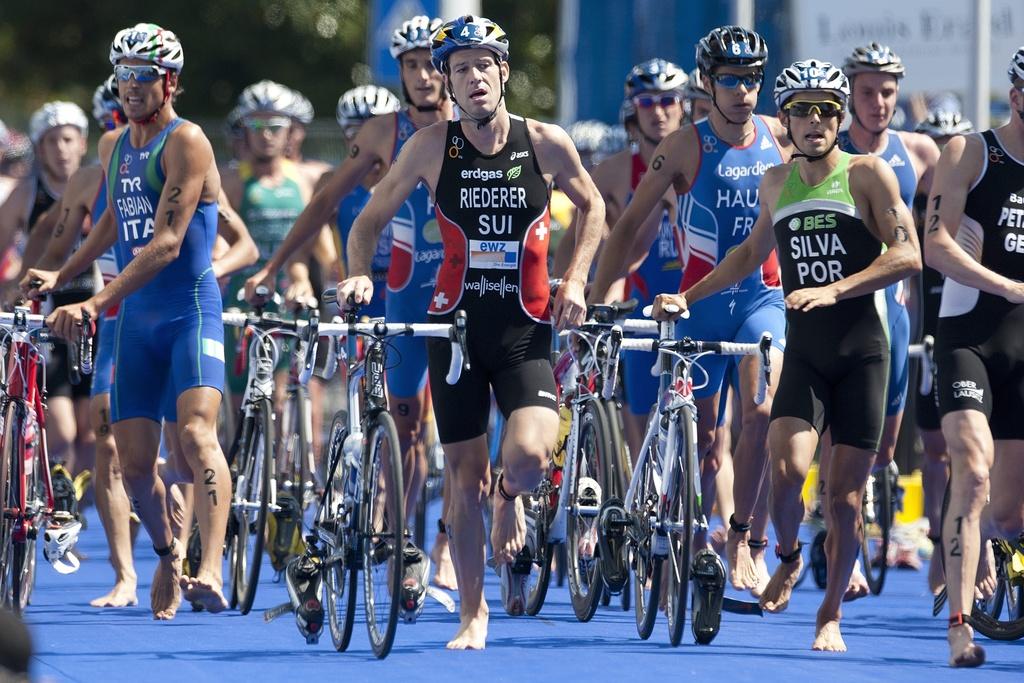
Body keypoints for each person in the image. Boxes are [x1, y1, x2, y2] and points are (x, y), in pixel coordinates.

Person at [336, 14, 603, 648]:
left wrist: (577, 278)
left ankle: (508, 493)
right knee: (460, 476)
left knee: (531, 458)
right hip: (452, 331)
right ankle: (472, 614)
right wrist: (357, 276)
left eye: (484, 65)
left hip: (524, 329)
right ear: (448, 82)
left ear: (503, 73)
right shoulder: (430, 146)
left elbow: (591, 206)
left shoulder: (545, 141)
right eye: (460, 69)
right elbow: (367, 222)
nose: (474, 77)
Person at [655, 58, 920, 651]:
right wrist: (685, 295)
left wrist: (834, 288)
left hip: (861, 353)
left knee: (846, 499)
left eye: (827, 110)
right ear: (790, 120)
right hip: (806, 353)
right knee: (786, 472)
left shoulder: (868, 175)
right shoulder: (777, 182)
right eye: (802, 110)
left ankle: (829, 613)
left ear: (839, 116)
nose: (816, 121)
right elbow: (749, 254)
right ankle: (789, 553)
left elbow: (908, 256)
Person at [245, 15, 454, 610]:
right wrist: (274, 266)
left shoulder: (471, 127)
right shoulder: (383, 133)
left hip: (456, 288)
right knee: (397, 416)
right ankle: (375, 515)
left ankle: (414, 530)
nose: (421, 75)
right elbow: (325, 201)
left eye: (431, 63)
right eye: (410, 64)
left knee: (432, 428)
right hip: (389, 290)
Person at [32, 23, 231, 619]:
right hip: (138, 319)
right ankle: (167, 555)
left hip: (190, 310)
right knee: (135, 466)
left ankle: (211, 565)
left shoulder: (186, 140)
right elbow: (115, 224)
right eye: (123, 76)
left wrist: (93, 303)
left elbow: (168, 243)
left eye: (144, 76)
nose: (132, 86)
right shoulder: (112, 145)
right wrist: (59, 272)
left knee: (196, 436)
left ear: (169, 82)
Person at [591, 25, 789, 595]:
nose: (744, 90)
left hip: (760, 298)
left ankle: (744, 536)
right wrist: (601, 294)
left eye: (753, 78)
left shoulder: (780, 137)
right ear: (707, 83)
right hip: (697, 305)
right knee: (706, 441)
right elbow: (628, 226)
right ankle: (689, 535)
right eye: (730, 79)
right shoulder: (685, 145)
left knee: (761, 412)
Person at [822, 42, 940, 597]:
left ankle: (865, 502)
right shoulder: (827, 149)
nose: (877, 102)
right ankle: (837, 542)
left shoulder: (917, 151)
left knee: (885, 449)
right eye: (866, 92)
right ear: (849, 94)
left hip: (894, 315)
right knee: (839, 437)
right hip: (837, 313)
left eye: (887, 92)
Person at [924, 47, 1024, 668]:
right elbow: (935, 244)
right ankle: (961, 628)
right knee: (974, 471)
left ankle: (983, 530)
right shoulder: (969, 152)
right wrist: (1005, 284)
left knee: (1009, 515)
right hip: (970, 337)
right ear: (1017, 97)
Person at [585, 59, 685, 460]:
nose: (658, 112)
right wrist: (570, 285)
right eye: (647, 102)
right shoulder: (611, 173)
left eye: (667, 100)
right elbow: (584, 240)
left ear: (683, 105)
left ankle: (715, 522)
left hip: (694, 301)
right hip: (639, 305)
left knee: (712, 439)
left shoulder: (705, 160)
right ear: (632, 109)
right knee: (640, 429)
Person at [0, 101, 93, 488]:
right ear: (39, 148)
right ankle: (46, 506)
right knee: (63, 432)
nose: (61, 148)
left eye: (68, 139)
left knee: (91, 438)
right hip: (45, 318)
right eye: (52, 141)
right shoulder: (26, 193)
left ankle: (70, 513)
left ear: (83, 143)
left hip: (94, 313)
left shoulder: (100, 186)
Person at [911, 108, 975, 587]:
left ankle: (975, 537)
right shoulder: (913, 209)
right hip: (927, 336)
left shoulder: (976, 198)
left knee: (971, 449)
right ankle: (938, 537)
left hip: (971, 331)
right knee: (936, 449)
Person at [333, 84, 401, 320]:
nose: (367, 141)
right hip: (354, 303)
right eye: (355, 133)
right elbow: (305, 245)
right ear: (344, 137)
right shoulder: (331, 183)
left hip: (404, 299)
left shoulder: (410, 178)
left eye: (377, 132)